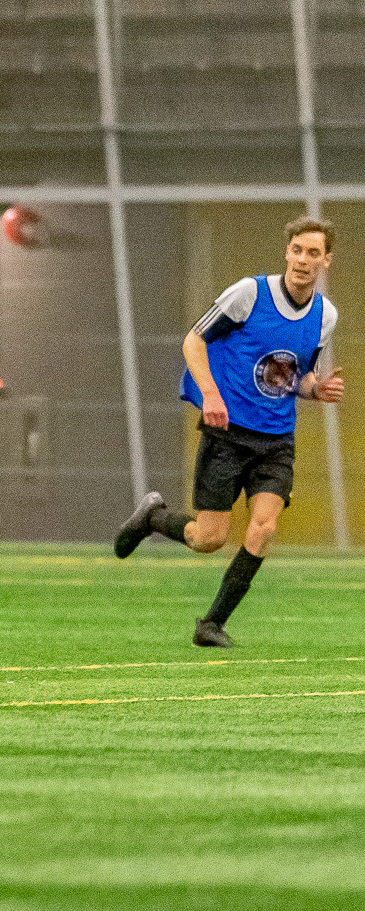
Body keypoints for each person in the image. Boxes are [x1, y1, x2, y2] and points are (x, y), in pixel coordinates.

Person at [114, 216, 344, 647]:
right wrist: (210, 393)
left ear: (326, 261)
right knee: (209, 539)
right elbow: (193, 341)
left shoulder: (324, 316)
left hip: (276, 440)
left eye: (314, 253)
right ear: (287, 253)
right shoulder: (249, 293)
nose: (303, 260)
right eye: (298, 249)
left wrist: (317, 388)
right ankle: (153, 518)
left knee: (264, 528)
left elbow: (292, 376)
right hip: (228, 433)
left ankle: (211, 624)